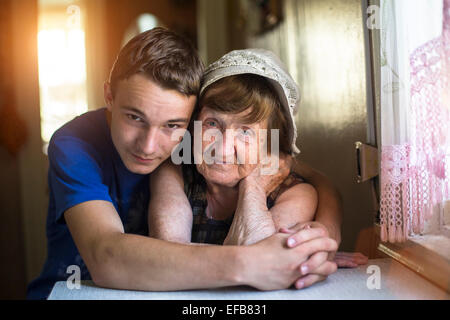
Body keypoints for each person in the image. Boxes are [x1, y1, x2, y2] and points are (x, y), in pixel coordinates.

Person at [27, 27, 346, 300]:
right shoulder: (76, 144)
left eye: (172, 125)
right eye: (134, 117)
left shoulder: (192, 149)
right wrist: (252, 263)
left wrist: (326, 236)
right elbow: (107, 256)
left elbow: (301, 171)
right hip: (74, 290)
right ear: (109, 96)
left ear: (189, 120)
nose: (149, 146)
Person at [148, 49, 368, 288]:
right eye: (212, 124)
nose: (222, 150)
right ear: (194, 126)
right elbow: (169, 256)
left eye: (245, 132)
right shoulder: (174, 172)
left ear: (270, 144)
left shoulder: (296, 193)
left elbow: (257, 269)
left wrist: (253, 184)